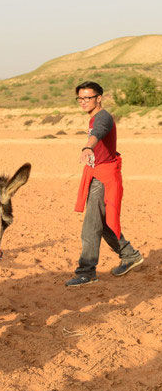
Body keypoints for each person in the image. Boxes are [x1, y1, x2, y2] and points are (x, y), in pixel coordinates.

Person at [66, 81, 143, 287]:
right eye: (80, 98)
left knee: (91, 225)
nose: (83, 101)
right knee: (104, 221)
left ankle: (87, 271)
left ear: (99, 98)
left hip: (104, 177)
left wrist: (87, 147)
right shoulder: (94, 117)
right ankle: (130, 255)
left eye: (87, 98)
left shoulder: (102, 118)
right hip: (97, 174)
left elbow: (97, 133)